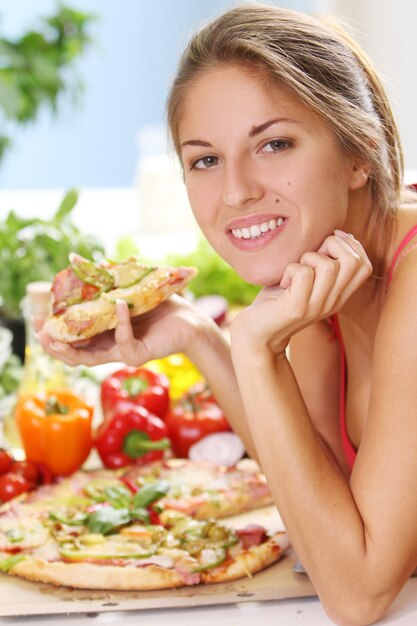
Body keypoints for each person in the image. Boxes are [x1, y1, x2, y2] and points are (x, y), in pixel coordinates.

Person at [39, 4, 417, 624]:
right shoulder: (322, 269)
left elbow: (358, 592)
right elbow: (317, 500)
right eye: (205, 159)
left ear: (360, 154)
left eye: (274, 144)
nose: (236, 190)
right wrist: (200, 337)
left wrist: (255, 349)